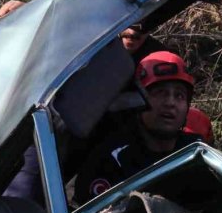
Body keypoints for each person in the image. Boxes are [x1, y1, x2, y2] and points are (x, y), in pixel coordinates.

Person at [73, 51, 199, 204]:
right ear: (138, 100)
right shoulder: (110, 160)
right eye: (160, 92)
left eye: (179, 95)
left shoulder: (196, 152)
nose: (170, 103)